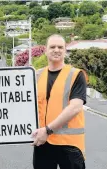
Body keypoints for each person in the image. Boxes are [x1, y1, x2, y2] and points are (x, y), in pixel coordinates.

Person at [32, 34, 87, 169]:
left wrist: (48, 130)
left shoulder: (76, 75)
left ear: (65, 50)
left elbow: (75, 107)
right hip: (43, 143)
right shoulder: (37, 76)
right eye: (52, 47)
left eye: (60, 47)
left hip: (69, 144)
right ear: (46, 50)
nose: (56, 50)